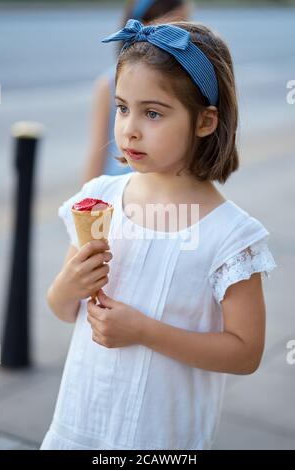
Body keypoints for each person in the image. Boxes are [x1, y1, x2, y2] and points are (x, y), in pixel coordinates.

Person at [41, 19, 277, 450]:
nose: (130, 128)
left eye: (152, 113)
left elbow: (245, 353)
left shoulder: (230, 236)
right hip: (79, 428)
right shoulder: (99, 199)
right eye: (122, 107)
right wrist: (68, 285)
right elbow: (61, 309)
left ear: (205, 122)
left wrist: (145, 331)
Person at [82, 0, 191, 183]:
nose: (181, 34)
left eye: (186, 23)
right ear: (144, 24)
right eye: (122, 108)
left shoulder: (184, 83)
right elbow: (97, 150)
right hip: (117, 187)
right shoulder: (109, 83)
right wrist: (86, 198)